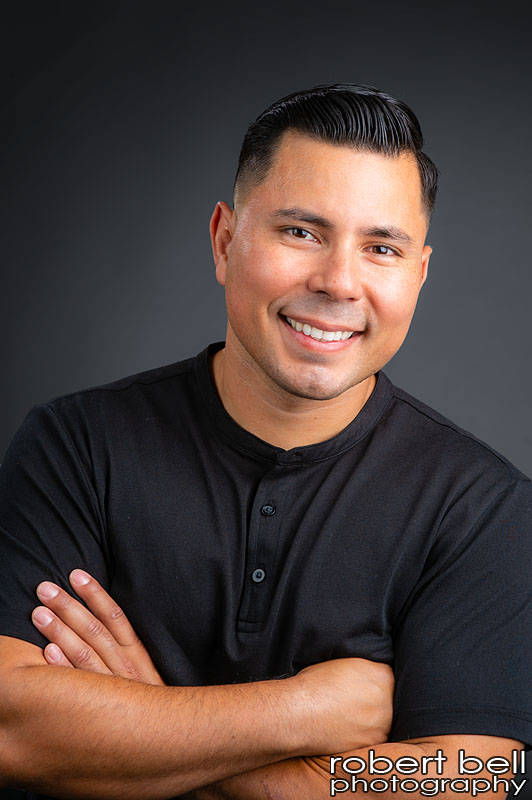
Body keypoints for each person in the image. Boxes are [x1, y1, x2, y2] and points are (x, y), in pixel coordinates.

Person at [0, 84, 531, 800]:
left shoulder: (483, 509)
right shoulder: (76, 446)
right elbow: (12, 730)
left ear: (419, 273)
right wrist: (302, 711)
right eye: (302, 232)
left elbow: (472, 777)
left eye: (381, 248)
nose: (339, 282)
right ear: (225, 241)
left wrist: (143, 732)